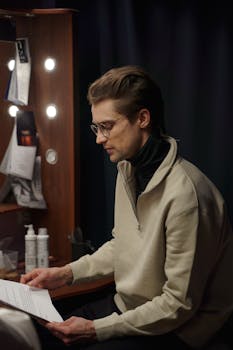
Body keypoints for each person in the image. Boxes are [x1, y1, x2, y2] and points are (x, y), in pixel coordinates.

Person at [20, 65, 233, 349]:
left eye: (107, 126)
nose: (99, 138)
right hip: (130, 307)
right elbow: (124, 246)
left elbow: (178, 305)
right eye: (96, 127)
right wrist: (64, 274)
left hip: (181, 329)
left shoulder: (187, 196)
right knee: (38, 335)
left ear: (142, 118)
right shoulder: (127, 169)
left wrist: (97, 329)